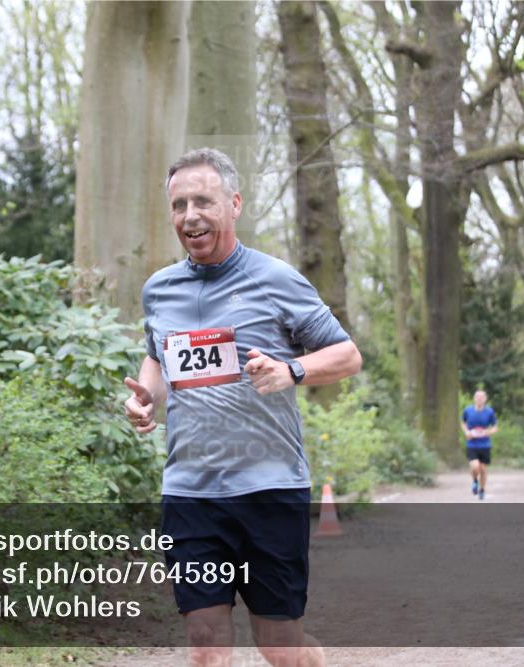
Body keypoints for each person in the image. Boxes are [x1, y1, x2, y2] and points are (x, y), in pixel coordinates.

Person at [123, 148, 362, 667]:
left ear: (234, 205)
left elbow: (347, 355)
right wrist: (146, 398)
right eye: (180, 204)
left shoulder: (276, 279)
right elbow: (156, 357)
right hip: (191, 492)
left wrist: (291, 370)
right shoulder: (159, 290)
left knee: (280, 648)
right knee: (206, 645)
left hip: (270, 487)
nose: (191, 215)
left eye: (204, 201)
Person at [461, 389, 498, 501]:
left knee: (483, 469)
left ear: (485, 399)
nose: (479, 399)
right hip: (472, 444)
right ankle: (474, 481)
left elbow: (495, 427)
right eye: (477, 397)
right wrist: (467, 432)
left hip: (485, 445)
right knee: (475, 466)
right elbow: (463, 423)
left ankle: (482, 490)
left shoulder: (489, 412)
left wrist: (488, 432)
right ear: (474, 398)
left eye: (482, 397)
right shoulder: (468, 411)